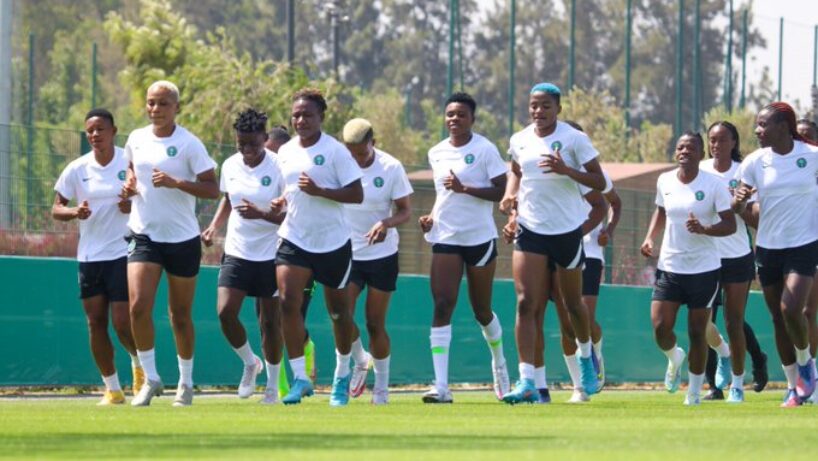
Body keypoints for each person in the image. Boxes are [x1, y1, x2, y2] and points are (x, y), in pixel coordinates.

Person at [499, 83, 607, 404]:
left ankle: (586, 359)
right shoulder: (519, 140)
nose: (538, 112)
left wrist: (566, 169)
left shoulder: (575, 139)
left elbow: (599, 182)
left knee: (573, 306)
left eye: (545, 106)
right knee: (525, 304)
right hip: (531, 229)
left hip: (566, 231)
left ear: (558, 108)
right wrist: (510, 195)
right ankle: (527, 381)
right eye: (534, 106)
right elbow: (517, 171)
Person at [121, 80, 219, 407]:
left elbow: (212, 188)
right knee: (137, 307)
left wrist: (176, 182)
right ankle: (150, 380)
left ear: (176, 107)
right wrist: (130, 182)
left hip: (182, 239)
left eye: (162, 104)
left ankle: (186, 382)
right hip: (144, 234)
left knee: (179, 315)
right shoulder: (136, 138)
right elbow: (132, 169)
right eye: (151, 103)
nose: (155, 110)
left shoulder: (189, 144)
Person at [272, 88, 365, 406]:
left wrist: (321, 190)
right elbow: (287, 189)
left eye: (307, 115)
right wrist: (280, 200)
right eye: (296, 115)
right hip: (294, 237)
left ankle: (341, 377)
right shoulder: (284, 151)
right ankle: (300, 378)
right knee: (287, 303)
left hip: (332, 242)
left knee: (339, 314)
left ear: (321, 117)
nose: (301, 120)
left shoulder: (336, 151)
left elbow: (356, 194)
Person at [418, 92, 510, 404]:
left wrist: (465, 188)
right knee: (442, 304)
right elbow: (444, 195)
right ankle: (441, 387)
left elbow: (502, 192)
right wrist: (431, 216)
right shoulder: (436, 152)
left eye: (460, 115)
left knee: (481, 310)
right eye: (450, 115)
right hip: (445, 236)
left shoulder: (484, 149)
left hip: (479, 239)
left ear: (472, 119)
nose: (454, 119)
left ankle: (499, 362)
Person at [52, 108, 142, 405]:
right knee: (95, 323)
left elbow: (145, 199)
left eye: (100, 129)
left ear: (114, 131)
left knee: (121, 322)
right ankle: (113, 389)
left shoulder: (128, 163)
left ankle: (139, 363)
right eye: (90, 131)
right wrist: (74, 211)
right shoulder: (77, 168)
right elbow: (56, 208)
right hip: (90, 256)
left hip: (122, 251)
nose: (94, 135)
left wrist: (132, 206)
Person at [641, 131, 736, 406]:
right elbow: (661, 210)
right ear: (676, 153)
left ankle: (694, 392)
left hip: (704, 269)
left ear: (701, 153)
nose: (685, 152)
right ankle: (674, 357)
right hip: (670, 266)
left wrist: (704, 229)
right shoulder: (665, 180)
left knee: (698, 331)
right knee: (660, 328)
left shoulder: (714, 184)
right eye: (681, 147)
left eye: (691, 148)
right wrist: (650, 237)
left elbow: (729, 224)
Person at [733, 103, 818, 407]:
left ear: (783, 126)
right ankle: (794, 387)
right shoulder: (755, 162)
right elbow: (741, 209)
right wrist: (739, 203)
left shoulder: (812, 157)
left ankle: (807, 365)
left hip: (805, 243)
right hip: (768, 248)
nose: (757, 130)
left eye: (763, 124)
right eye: (757, 125)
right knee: (778, 319)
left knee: (791, 308)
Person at [201, 109, 285, 404]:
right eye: (241, 145)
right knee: (225, 313)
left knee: (270, 323)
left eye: (253, 144)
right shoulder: (231, 165)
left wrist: (261, 214)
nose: (247, 151)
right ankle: (251, 363)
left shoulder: (280, 167)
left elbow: (292, 216)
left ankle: (273, 387)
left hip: (272, 254)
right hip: (237, 250)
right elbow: (227, 199)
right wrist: (213, 227)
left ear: (265, 138)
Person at [341, 118, 413, 404]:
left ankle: (382, 387)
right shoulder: (339, 164)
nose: (357, 158)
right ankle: (360, 359)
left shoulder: (391, 167)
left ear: (373, 142)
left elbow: (405, 211)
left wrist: (386, 223)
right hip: (347, 254)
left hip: (382, 256)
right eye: (351, 152)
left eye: (361, 151)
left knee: (374, 323)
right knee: (341, 316)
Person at [700, 120, 769, 402]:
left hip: (737, 255)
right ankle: (713, 382)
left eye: (723, 140)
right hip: (704, 256)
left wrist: (737, 205)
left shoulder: (744, 172)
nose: (717, 145)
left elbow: (756, 219)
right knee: (703, 323)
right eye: (712, 140)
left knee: (733, 321)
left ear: (734, 143)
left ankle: (735, 386)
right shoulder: (700, 169)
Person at [264, 125, 317, 398]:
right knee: (268, 321)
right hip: (264, 254)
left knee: (290, 317)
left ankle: (303, 362)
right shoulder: (260, 174)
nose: (270, 158)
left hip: (298, 254)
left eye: (273, 153)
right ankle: (282, 385)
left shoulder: (298, 173)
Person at [796, 117, 818, 403]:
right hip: (800, 246)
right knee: (805, 312)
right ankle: (809, 371)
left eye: (808, 136)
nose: (802, 141)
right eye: (797, 137)